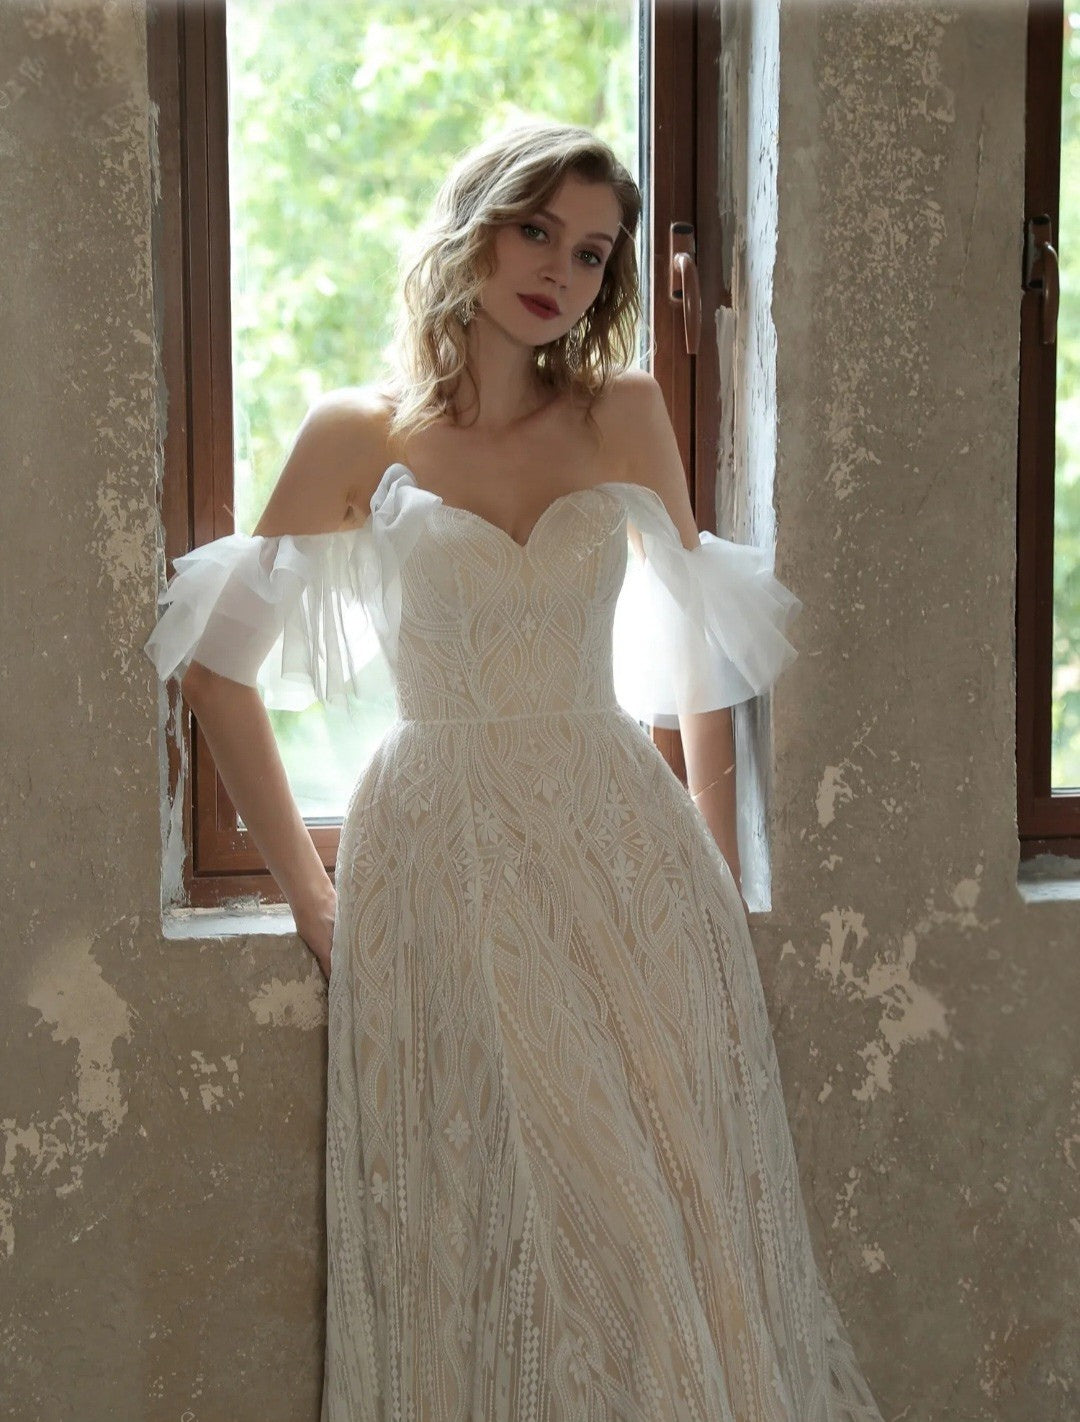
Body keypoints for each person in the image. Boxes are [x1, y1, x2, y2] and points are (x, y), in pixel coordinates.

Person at [145, 121, 885, 1422]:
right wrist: (316, 900)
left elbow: (703, 644)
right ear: (474, 222)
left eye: (593, 252)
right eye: (536, 227)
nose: (561, 270)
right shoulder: (354, 433)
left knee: (664, 1230)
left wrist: (708, 874)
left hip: (618, 842)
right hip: (443, 851)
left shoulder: (628, 412)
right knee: (494, 1215)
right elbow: (215, 671)